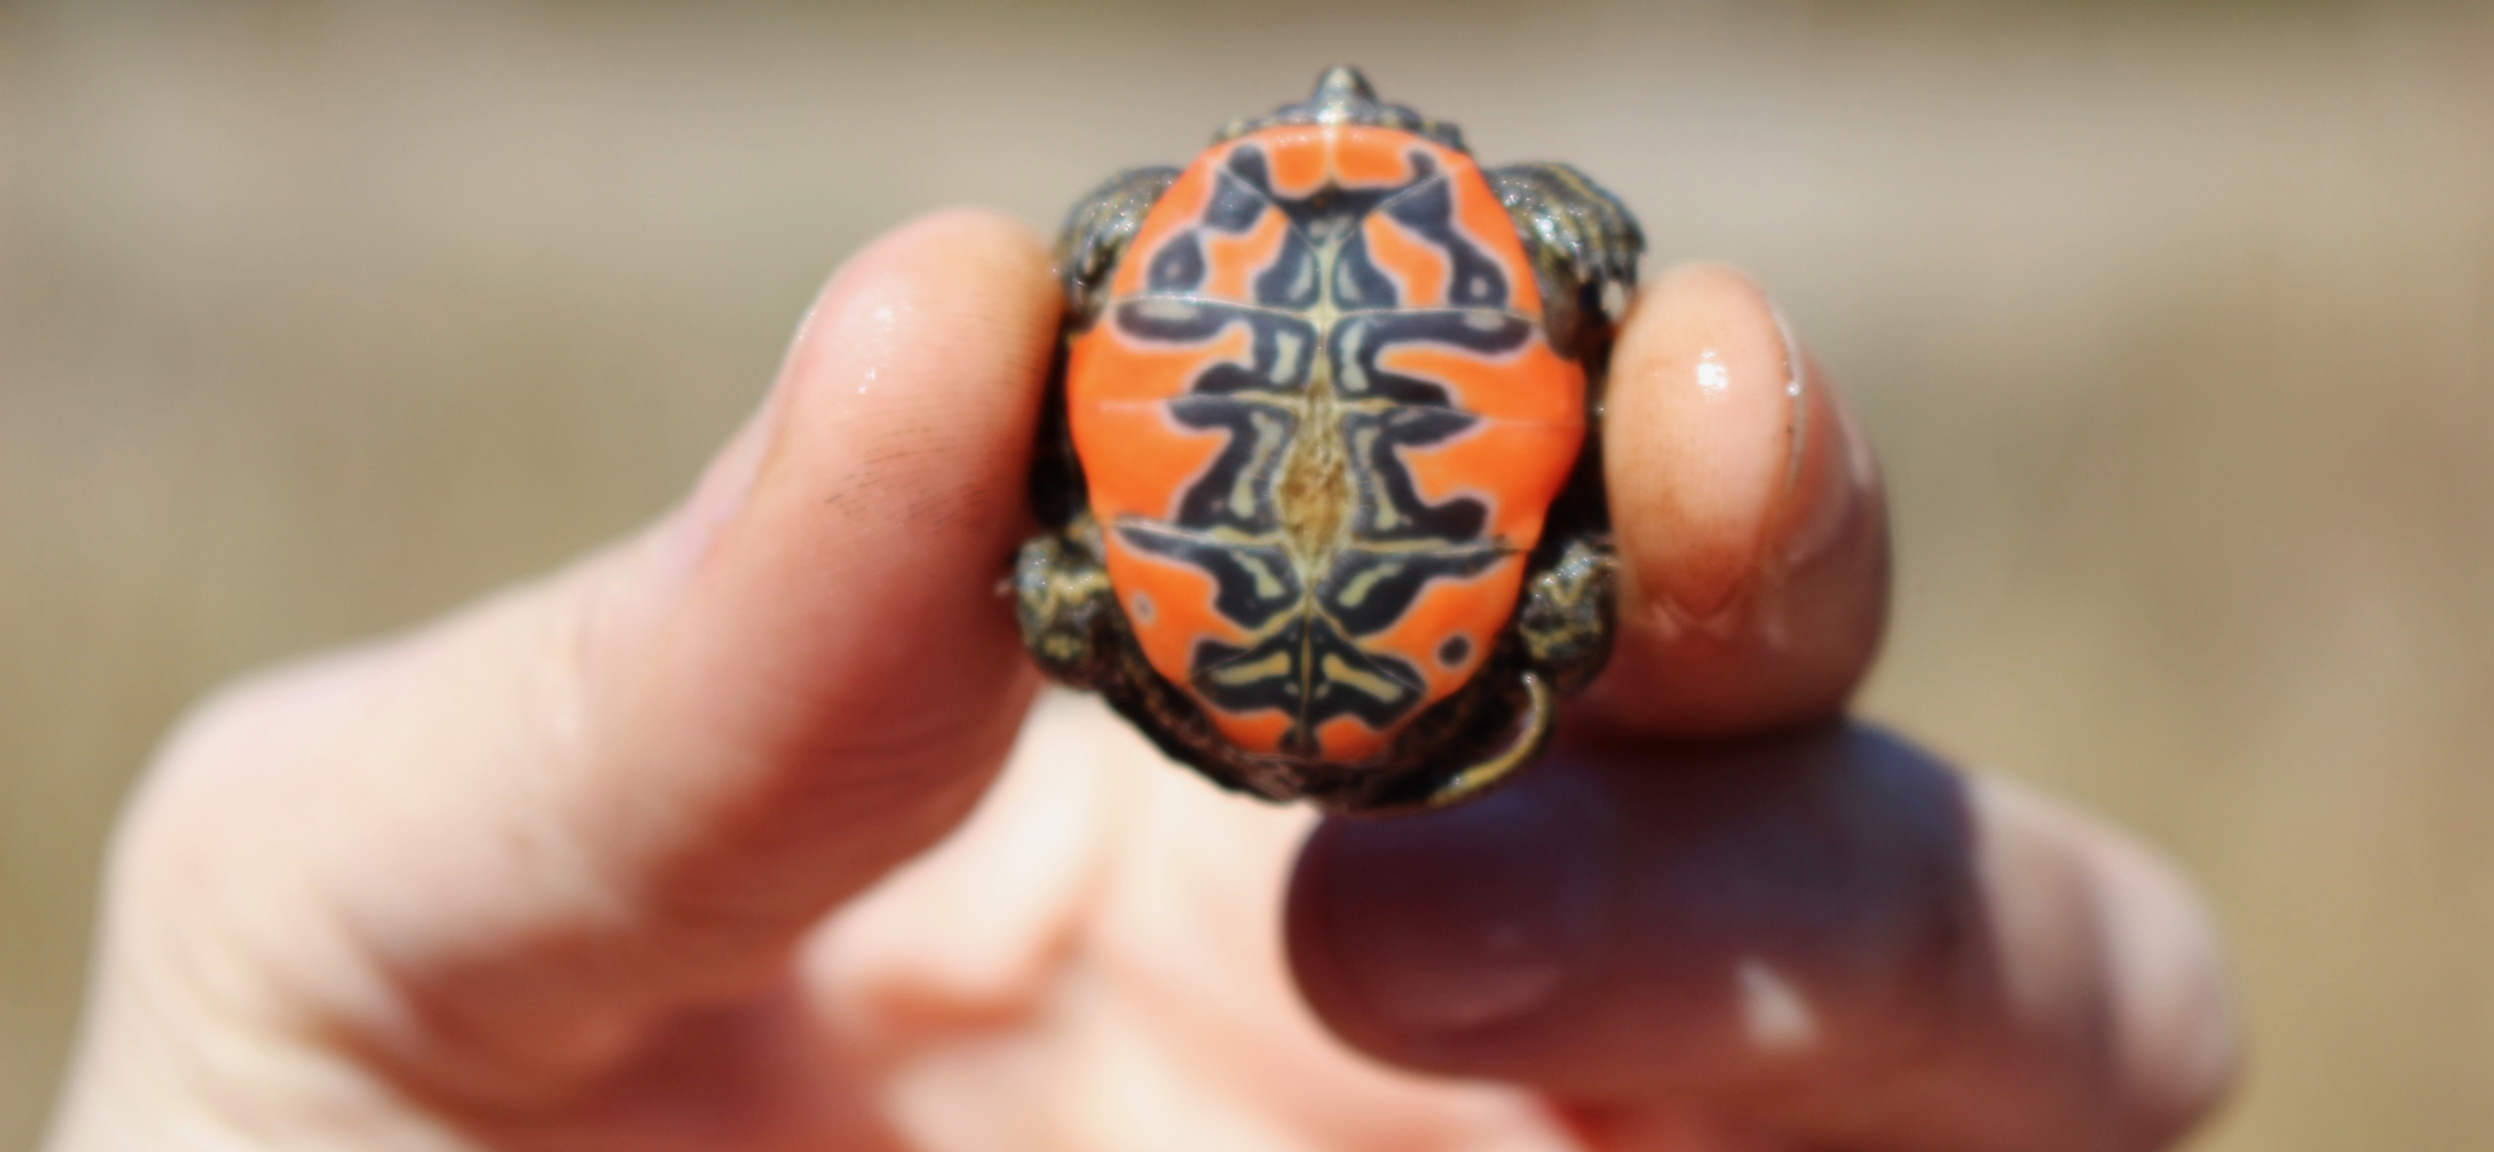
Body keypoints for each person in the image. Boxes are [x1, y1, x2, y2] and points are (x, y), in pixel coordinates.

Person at [40, 212, 2236, 1151]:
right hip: (1379, 623)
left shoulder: (1142, 307)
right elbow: (1584, 300)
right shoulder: (1497, 269)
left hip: (1300, 640)